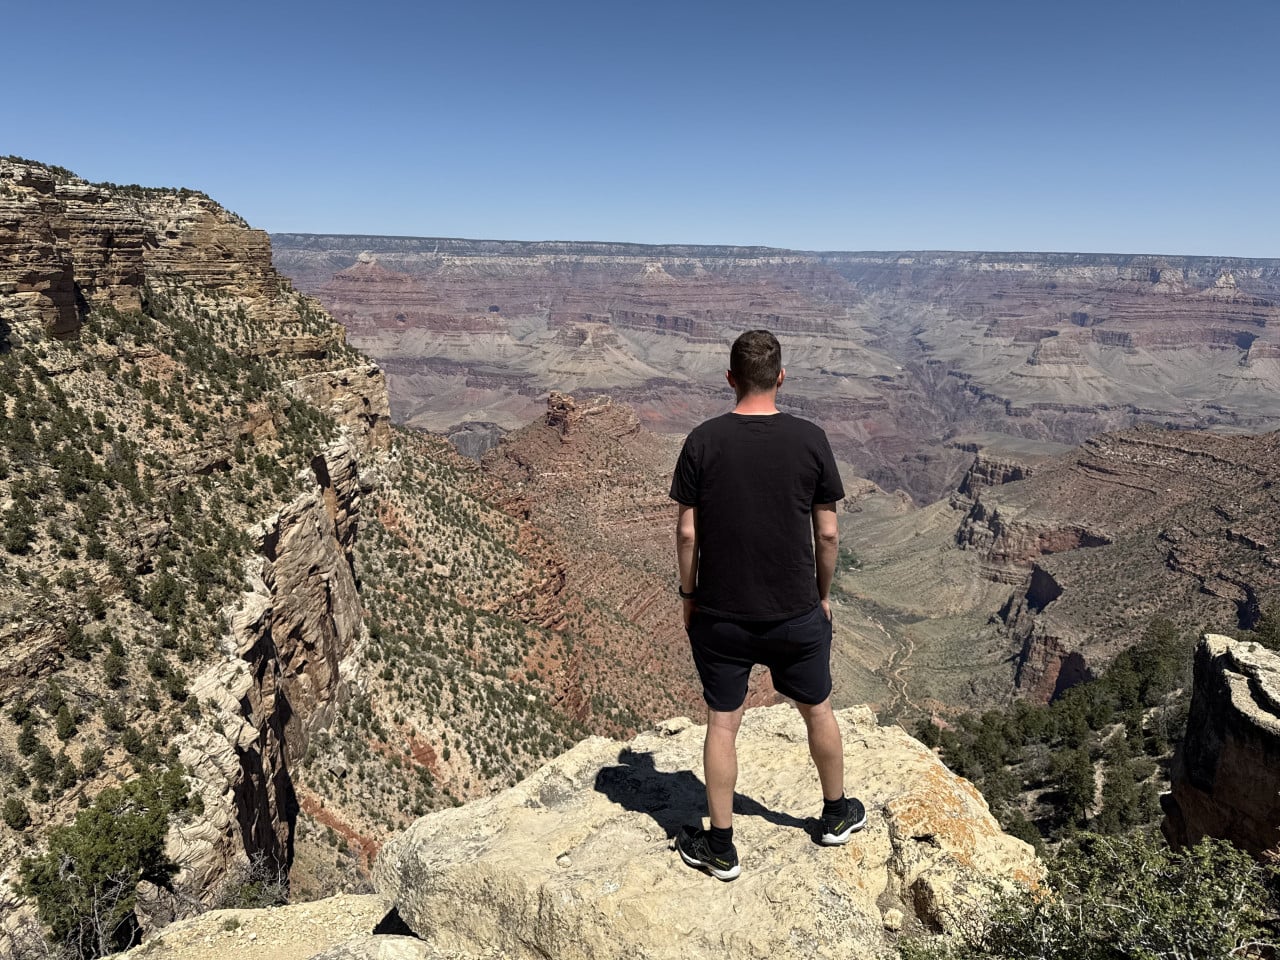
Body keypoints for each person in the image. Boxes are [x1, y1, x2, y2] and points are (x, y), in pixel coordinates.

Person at [668, 329, 866, 881]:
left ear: (730, 379)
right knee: (818, 710)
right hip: (795, 611)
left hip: (721, 615)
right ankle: (834, 815)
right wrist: (821, 596)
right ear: (780, 378)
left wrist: (690, 596)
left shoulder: (702, 440)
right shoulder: (810, 439)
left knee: (723, 725)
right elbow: (827, 535)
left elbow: (687, 534)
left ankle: (722, 846)